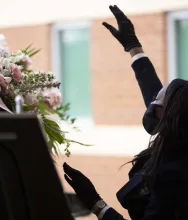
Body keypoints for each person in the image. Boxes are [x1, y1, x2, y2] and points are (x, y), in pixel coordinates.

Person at [63, 5, 188, 220]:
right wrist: (133, 46)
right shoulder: (178, 135)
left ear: (168, 117)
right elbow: (152, 92)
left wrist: (96, 204)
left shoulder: (173, 175)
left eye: (159, 102)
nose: (153, 101)